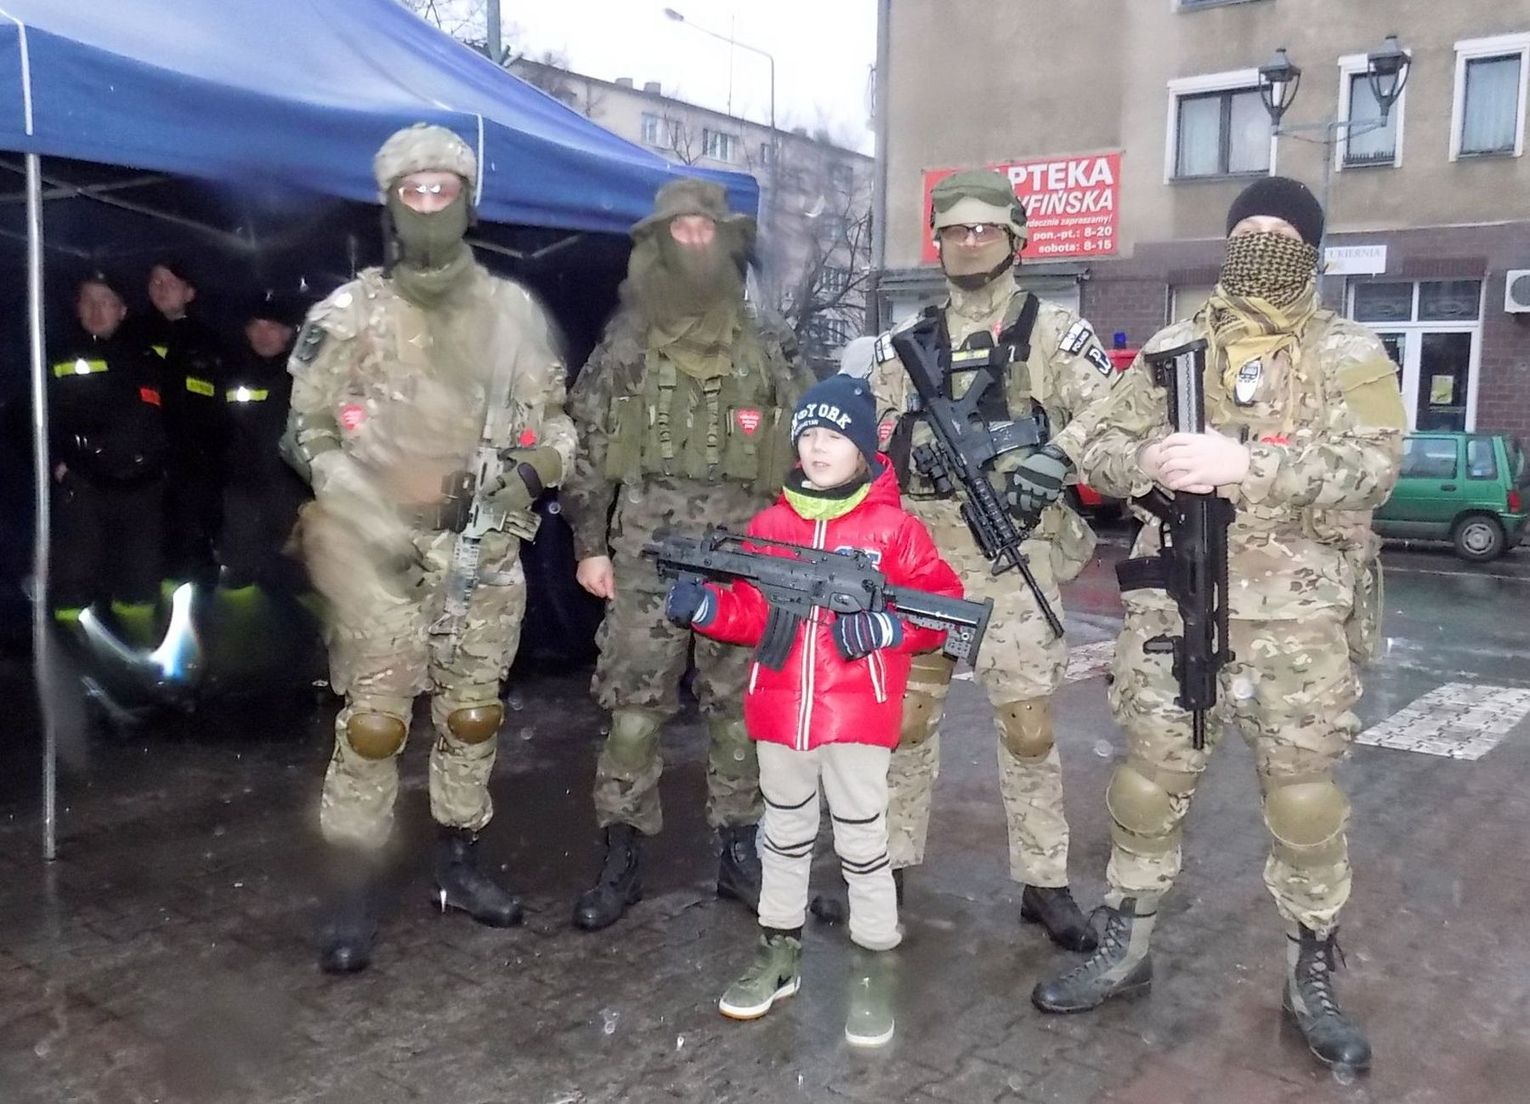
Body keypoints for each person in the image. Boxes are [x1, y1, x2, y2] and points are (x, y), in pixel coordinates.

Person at [1030, 177, 1405, 1074]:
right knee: (1147, 785)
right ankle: (1126, 944)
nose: (1263, 245)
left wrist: (1247, 463)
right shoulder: (1174, 348)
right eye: (1250, 231)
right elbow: (1091, 445)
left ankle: (1310, 972)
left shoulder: (1349, 351)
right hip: (1175, 603)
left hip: (1298, 621)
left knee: (1304, 800)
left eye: (1283, 234)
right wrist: (1148, 459)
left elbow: (1375, 466)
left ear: (1312, 251)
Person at [283, 123, 575, 975]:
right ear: (390, 206)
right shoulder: (349, 313)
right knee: (374, 726)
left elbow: (556, 423)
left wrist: (532, 473)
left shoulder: (511, 313)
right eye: (413, 192)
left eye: (443, 190)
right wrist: (363, 513)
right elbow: (304, 432)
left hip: (484, 550)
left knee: (473, 715)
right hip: (382, 554)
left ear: (467, 202)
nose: (429, 204)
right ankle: (351, 888)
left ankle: (460, 864)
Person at [859, 169, 1120, 950]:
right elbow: (866, 437)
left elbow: (1117, 418)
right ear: (937, 243)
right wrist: (896, 455)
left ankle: (1044, 883)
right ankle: (885, 870)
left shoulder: (1054, 333)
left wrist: (1057, 456)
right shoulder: (902, 347)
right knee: (906, 726)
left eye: (985, 229)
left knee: (1030, 730)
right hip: (923, 563)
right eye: (955, 231)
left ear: (1016, 238)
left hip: (1014, 559)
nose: (970, 243)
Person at [668, 375, 963, 1047]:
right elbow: (752, 614)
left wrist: (887, 629)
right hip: (780, 716)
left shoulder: (894, 530)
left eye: (834, 436)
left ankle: (873, 969)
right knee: (782, 838)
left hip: (857, 719)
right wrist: (708, 607)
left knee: (863, 845)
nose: (818, 448)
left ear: (863, 447)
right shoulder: (771, 526)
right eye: (808, 435)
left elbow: (943, 607)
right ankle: (778, 955)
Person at [561, 178, 815, 932]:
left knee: (737, 715)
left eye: (707, 228)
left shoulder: (765, 340)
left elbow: (816, 443)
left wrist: (813, 539)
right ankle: (622, 854)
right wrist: (589, 546)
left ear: (727, 240)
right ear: (659, 243)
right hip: (646, 557)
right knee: (633, 714)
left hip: (746, 557)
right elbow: (587, 447)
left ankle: (740, 852)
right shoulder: (627, 341)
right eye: (681, 229)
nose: (695, 240)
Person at [48, 273, 168, 645]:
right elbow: (28, 416)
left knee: (139, 579)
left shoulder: (147, 356)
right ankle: (70, 650)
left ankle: (139, 650)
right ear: (77, 308)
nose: (97, 310)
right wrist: (57, 463)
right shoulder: (55, 354)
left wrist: (164, 464)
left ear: (123, 310)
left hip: (142, 487)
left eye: (106, 301)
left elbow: (174, 417)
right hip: (84, 485)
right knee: (74, 575)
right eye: (88, 301)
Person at [128, 259, 227, 584]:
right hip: (145, 468)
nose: (161, 288)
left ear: (189, 292)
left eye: (170, 282)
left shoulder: (211, 342)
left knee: (194, 552)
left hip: (197, 468)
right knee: (146, 552)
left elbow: (222, 409)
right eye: (155, 281)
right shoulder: (133, 335)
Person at [217, 292, 309, 594]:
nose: (263, 335)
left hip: (292, 491)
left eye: (272, 327)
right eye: (256, 326)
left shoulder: (307, 376)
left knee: (294, 573)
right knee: (238, 574)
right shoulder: (230, 371)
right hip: (242, 491)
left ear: (288, 332)